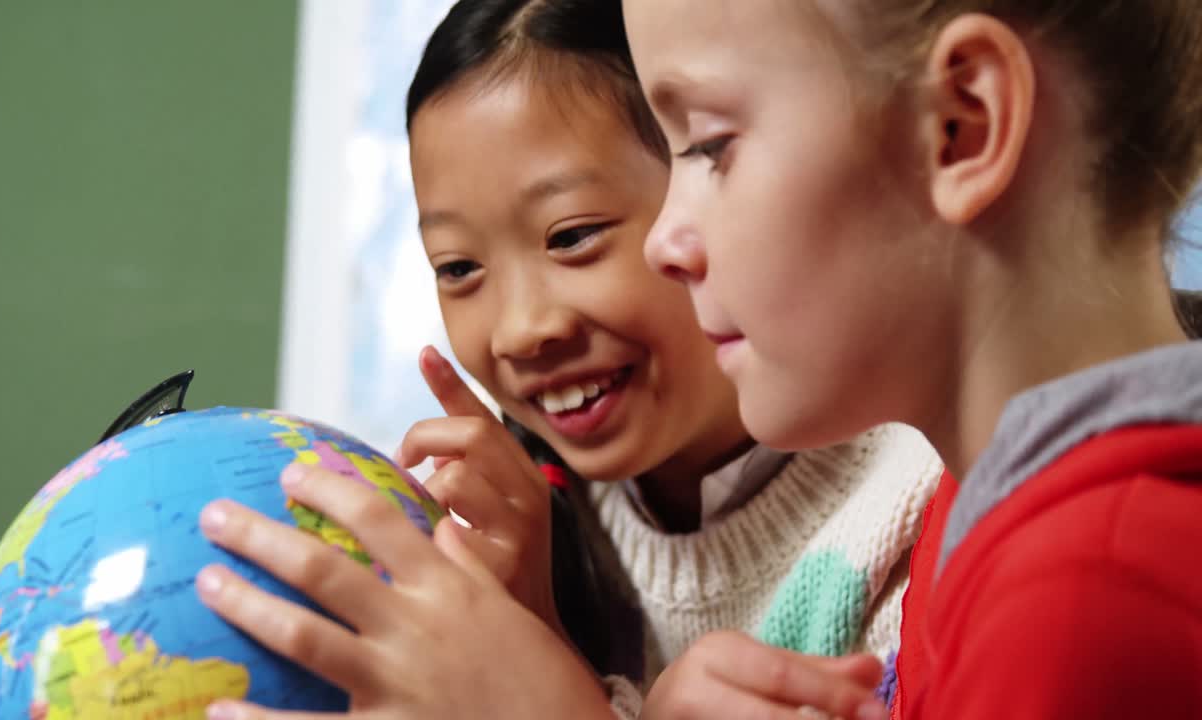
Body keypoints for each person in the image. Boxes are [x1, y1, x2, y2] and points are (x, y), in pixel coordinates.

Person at [191, 1, 941, 718]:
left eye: (572, 235)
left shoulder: (921, 493)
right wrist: (527, 623)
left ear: (705, 187)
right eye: (457, 268)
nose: (521, 331)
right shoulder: (497, 542)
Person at [621, 1, 1202, 718]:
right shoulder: (984, 503)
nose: (662, 244)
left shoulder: (1083, 609)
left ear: (962, 127)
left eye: (710, 146)